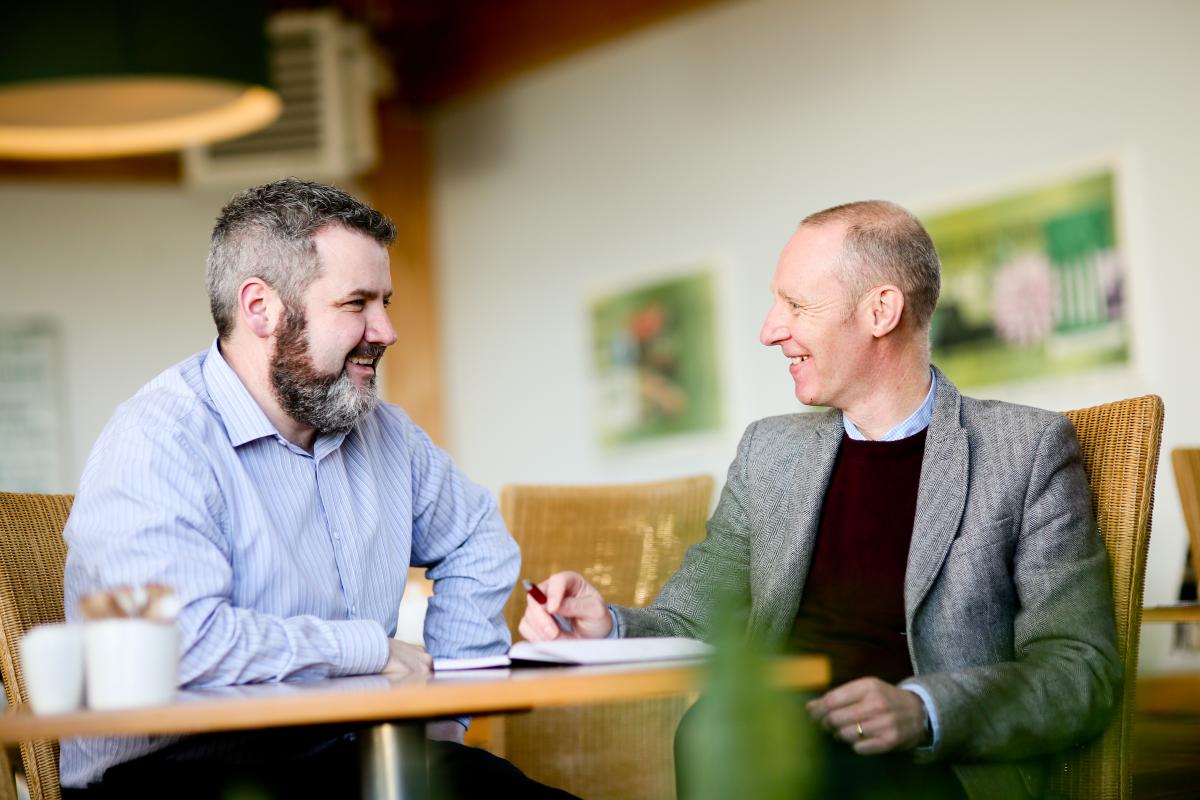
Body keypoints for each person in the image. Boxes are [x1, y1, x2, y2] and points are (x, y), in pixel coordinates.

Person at [520, 201, 1120, 800]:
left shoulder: (1025, 450)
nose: (770, 330)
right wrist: (607, 628)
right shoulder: (768, 452)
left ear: (880, 311)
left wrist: (924, 711)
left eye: (797, 305)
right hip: (766, 753)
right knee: (711, 734)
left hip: (930, 771)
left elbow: (1079, 669)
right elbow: (690, 621)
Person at [61, 179, 574, 799]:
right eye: (357, 304)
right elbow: (177, 646)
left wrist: (443, 719)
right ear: (261, 308)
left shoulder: (387, 436)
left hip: (351, 760)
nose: (386, 331)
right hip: (177, 778)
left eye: (385, 302)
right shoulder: (156, 441)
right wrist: (368, 649)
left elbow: (478, 541)